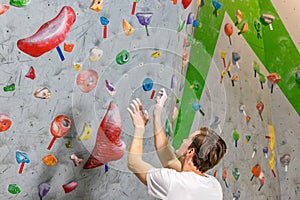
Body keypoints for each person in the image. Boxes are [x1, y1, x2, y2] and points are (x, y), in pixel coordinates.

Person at [127, 88, 227, 200]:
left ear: (190, 152)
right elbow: (169, 161)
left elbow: (133, 163)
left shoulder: (172, 183)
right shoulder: (214, 187)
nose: (184, 140)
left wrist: (139, 127)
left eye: (188, 139)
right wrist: (157, 115)